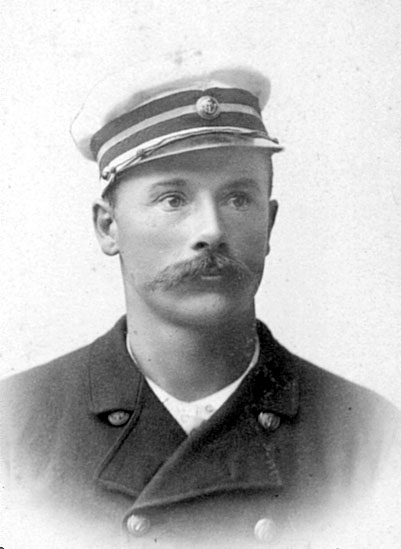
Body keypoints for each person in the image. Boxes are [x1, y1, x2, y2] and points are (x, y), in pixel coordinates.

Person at [0, 58, 400, 549]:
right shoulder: (14, 428)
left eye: (238, 199)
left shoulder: (370, 438)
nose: (211, 230)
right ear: (108, 227)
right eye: (173, 199)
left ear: (270, 224)